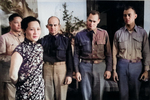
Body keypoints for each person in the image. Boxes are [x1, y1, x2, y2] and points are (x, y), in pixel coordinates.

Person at [113, 6, 150, 100]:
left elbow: (146, 52)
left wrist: (146, 70)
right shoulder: (118, 33)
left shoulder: (142, 33)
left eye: (129, 15)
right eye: (125, 15)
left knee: (135, 94)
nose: (127, 17)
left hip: (137, 65)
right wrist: (114, 70)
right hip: (122, 65)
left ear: (135, 16)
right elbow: (113, 53)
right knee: (123, 95)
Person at [74, 10, 112, 100]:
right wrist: (77, 71)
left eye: (94, 21)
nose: (91, 23)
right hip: (84, 66)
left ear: (98, 21)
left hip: (100, 66)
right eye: (90, 20)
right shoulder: (79, 35)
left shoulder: (104, 33)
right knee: (86, 95)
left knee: (99, 94)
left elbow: (109, 53)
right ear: (87, 20)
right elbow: (76, 55)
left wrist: (109, 69)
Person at [38, 16, 73, 100]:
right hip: (47, 68)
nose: (52, 27)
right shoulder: (42, 41)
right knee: (47, 94)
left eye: (55, 25)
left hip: (61, 68)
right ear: (47, 26)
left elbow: (69, 58)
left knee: (61, 95)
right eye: (50, 25)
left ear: (59, 26)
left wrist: (69, 74)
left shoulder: (66, 40)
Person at [9, 16, 44, 100]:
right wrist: (22, 85)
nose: (36, 32)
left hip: (39, 91)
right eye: (32, 29)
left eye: (38, 29)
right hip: (25, 93)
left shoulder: (39, 47)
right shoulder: (20, 50)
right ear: (24, 30)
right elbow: (13, 76)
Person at [0, 13, 24, 100]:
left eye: (21, 22)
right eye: (16, 22)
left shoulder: (25, 37)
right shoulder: (4, 38)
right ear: (10, 24)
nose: (19, 25)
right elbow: (1, 57)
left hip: (23, 76)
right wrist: (15, 58)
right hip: (9, 76)